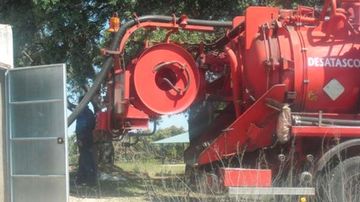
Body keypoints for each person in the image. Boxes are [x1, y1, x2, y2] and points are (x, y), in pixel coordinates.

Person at [74, 96, 97, 186]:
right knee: (84, 158)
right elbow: (92, 126)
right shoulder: (89, 112)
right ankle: (81, 179)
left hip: (84, 138)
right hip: (88, 138)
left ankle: (90, 181)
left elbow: (82, 127)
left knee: (86, 159)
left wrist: (80, 139)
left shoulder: (82, 112)